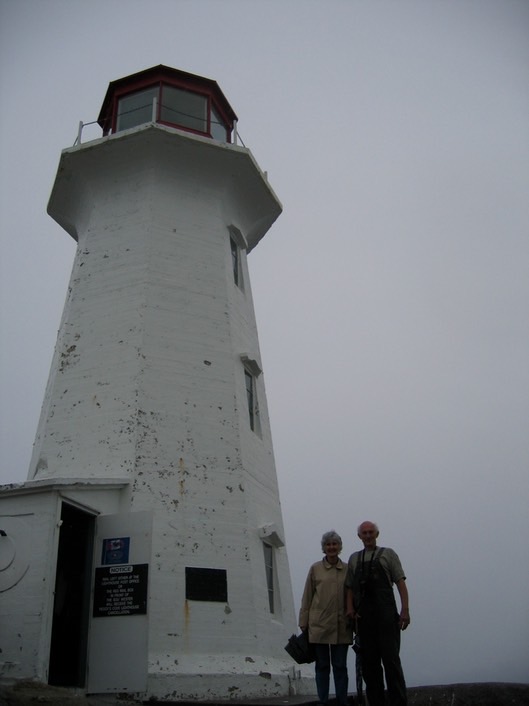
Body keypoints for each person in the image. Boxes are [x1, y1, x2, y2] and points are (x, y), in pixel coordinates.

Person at [345, 521, 410, 706]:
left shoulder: (388, 554)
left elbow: (400, 583)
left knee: (391, 663)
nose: (367, 535)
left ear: (377, 534)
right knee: (369, 666)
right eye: (364, 533)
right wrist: (350, 609)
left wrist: (405, 610)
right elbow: (349, 587)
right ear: (359, 536)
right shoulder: (354, 559)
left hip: (387, 617)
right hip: (364, 619)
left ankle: (398, 702)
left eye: (371, 532)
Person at [299, 530, 353, 706]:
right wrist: (303, 621)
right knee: (322, 666)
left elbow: (354, 594)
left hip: (341, 624)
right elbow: (307, 595)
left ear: (339, 546)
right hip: (319, 624)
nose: (331, 547)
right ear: (324, 547)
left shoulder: (347, 569)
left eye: (334, 544)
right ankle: (322, 700)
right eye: (328, 544)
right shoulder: (315, 569)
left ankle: (341, 700)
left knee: (340, 666)